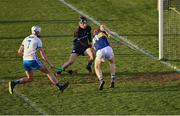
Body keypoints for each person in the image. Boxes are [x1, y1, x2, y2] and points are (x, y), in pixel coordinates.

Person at [9, 26, 69, 94]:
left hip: (25, 61)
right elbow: (43, 55)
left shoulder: (26, 38)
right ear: (37, 32)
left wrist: (27, 55)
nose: (40, 33)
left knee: (30, 78)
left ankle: (14, 82)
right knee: (47, 72)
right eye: (39, 32)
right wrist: (50, 64)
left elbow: (19, 52)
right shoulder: (38, 40)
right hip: (33, 60)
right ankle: (60, 87)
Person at [92, 25, 116, 90]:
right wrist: (109, 33)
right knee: (112, 62)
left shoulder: (93, 40)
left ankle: (101, 80)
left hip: (99, 52)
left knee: (97, 67)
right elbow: (102, 26)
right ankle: (112, 79)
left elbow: (94, 48)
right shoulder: (102, 33)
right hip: (108, 49)